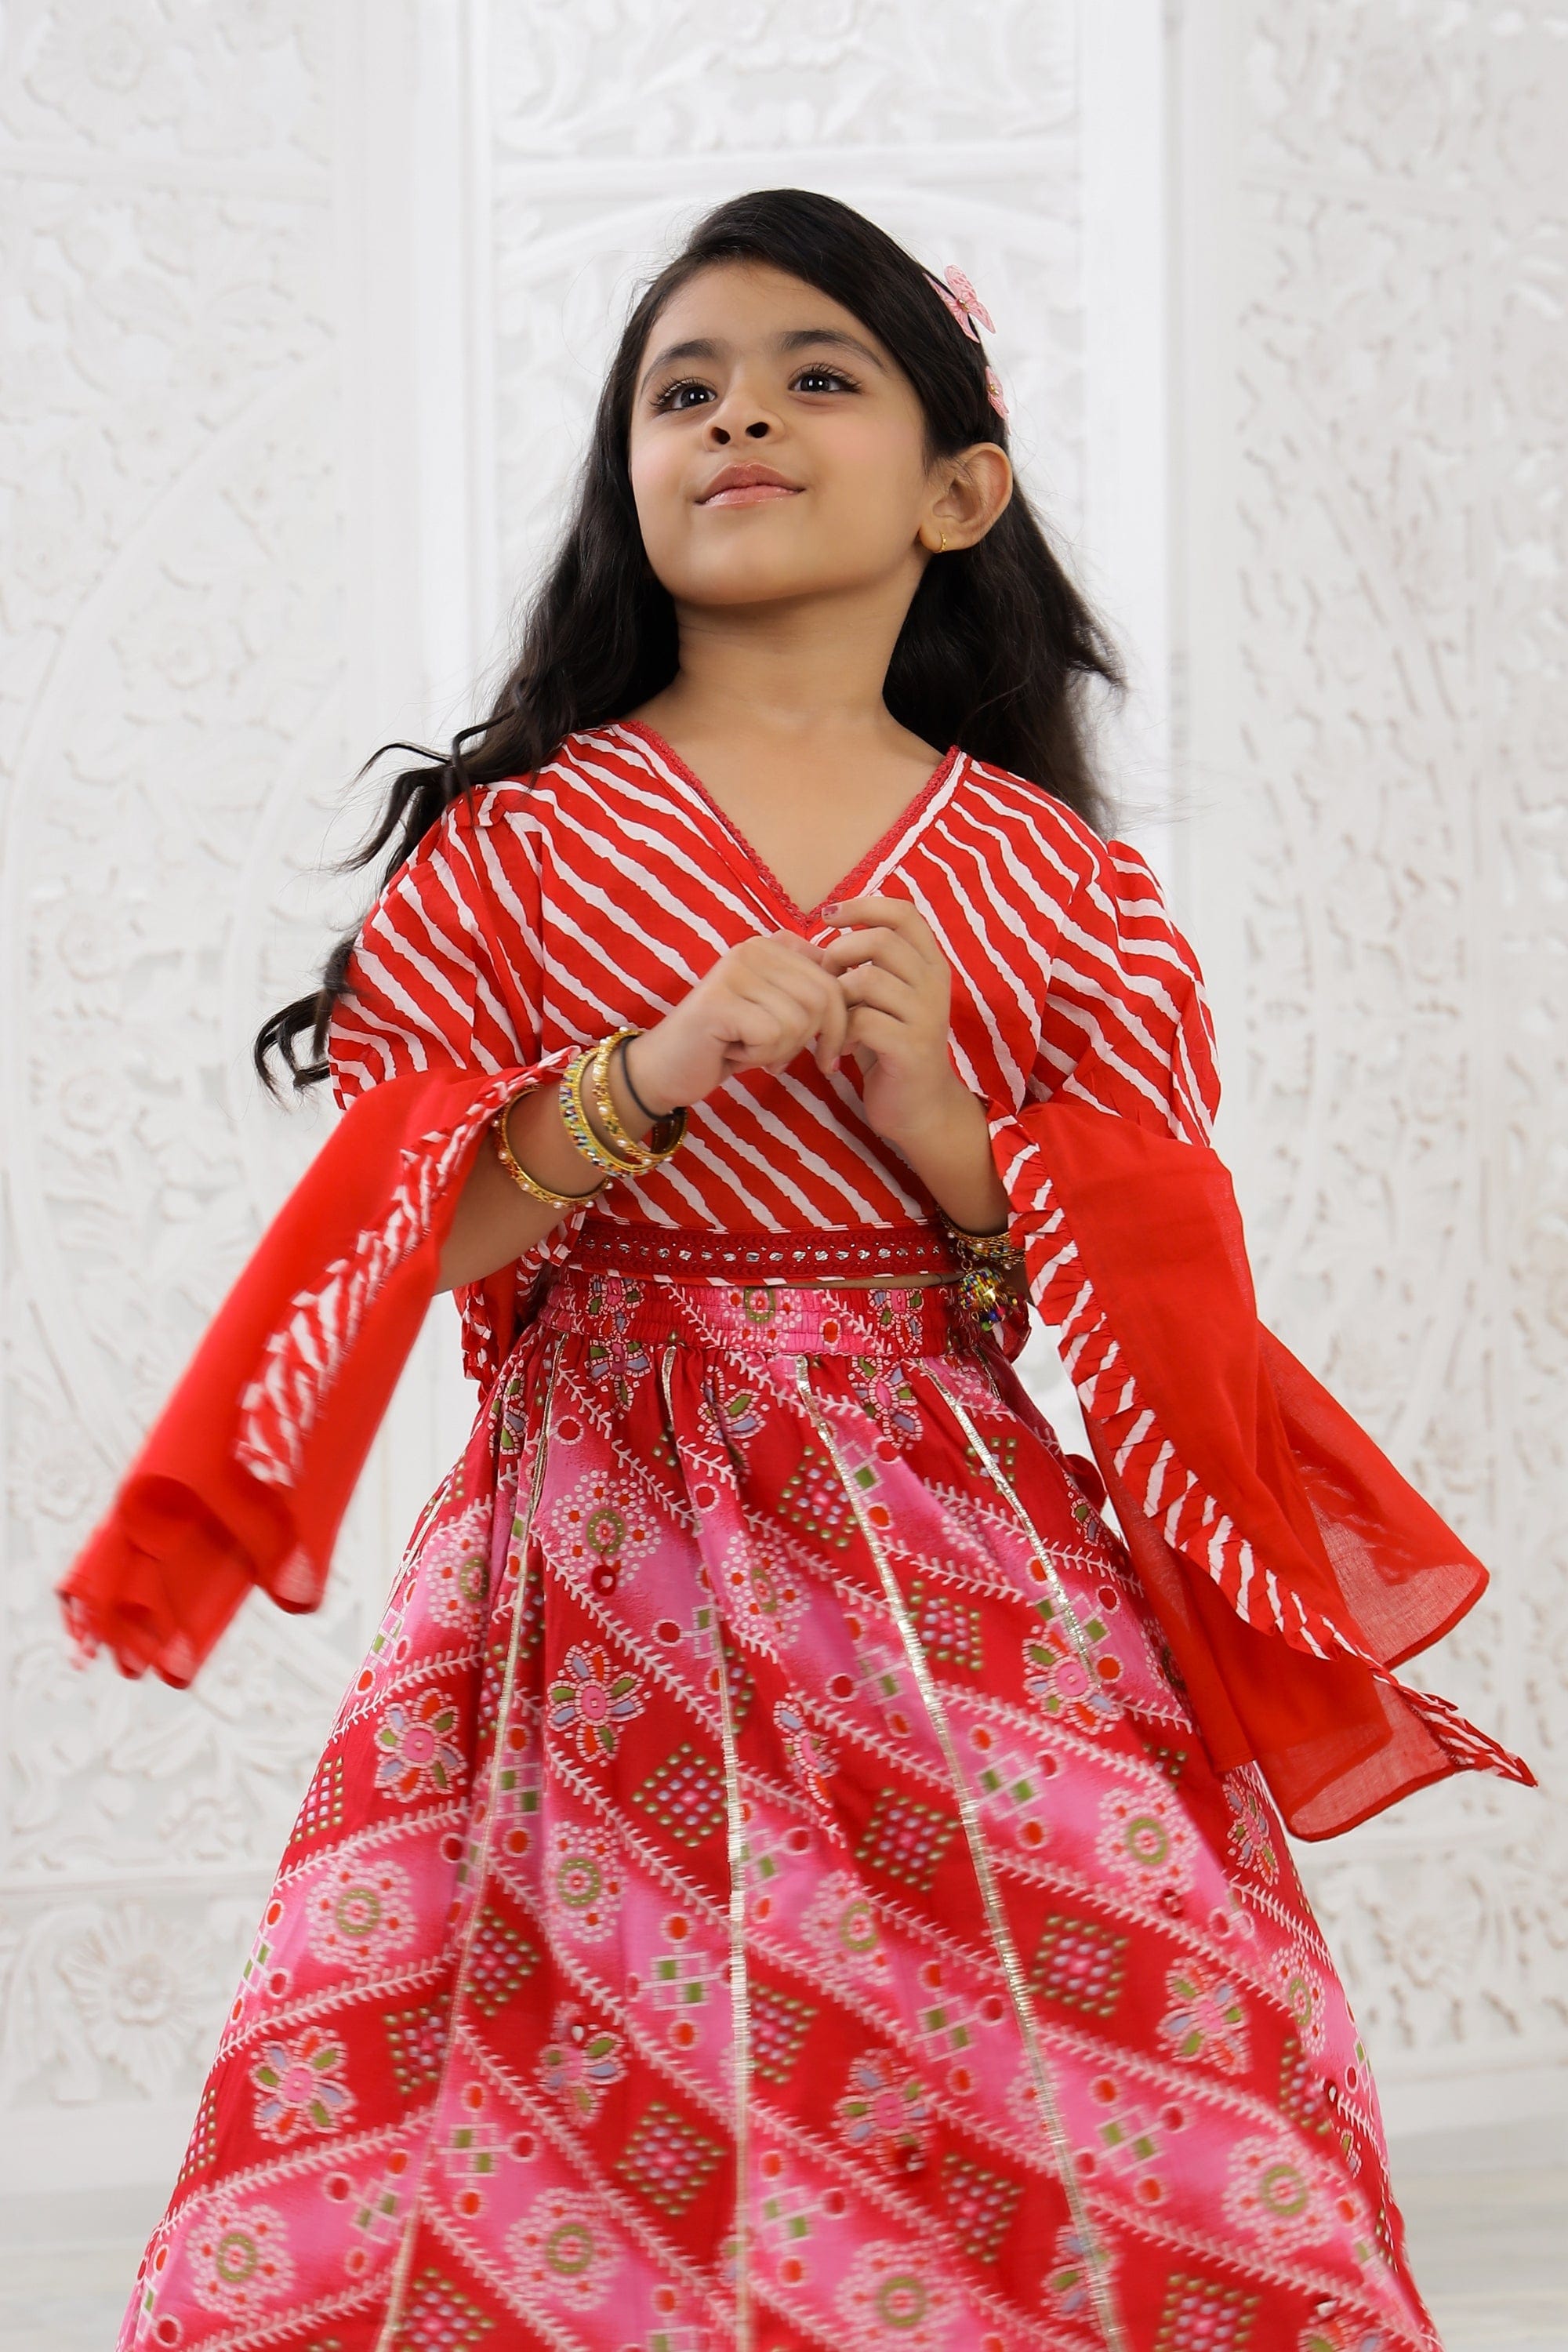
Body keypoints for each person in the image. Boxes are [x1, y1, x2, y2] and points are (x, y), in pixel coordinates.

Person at [67, 188, 1529, 2352]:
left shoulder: (1060, 884)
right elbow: (413, 1230)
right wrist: (646, 1075)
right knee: (560, 2053)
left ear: (962, 487)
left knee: (1087, 2030)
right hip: (596, 1573)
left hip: (971, 1581)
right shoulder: (521, 849)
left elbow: (1147, 1282)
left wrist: (953, 1129)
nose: (738, 416)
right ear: (626, 485)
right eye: (685, 390)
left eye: (811, 375)